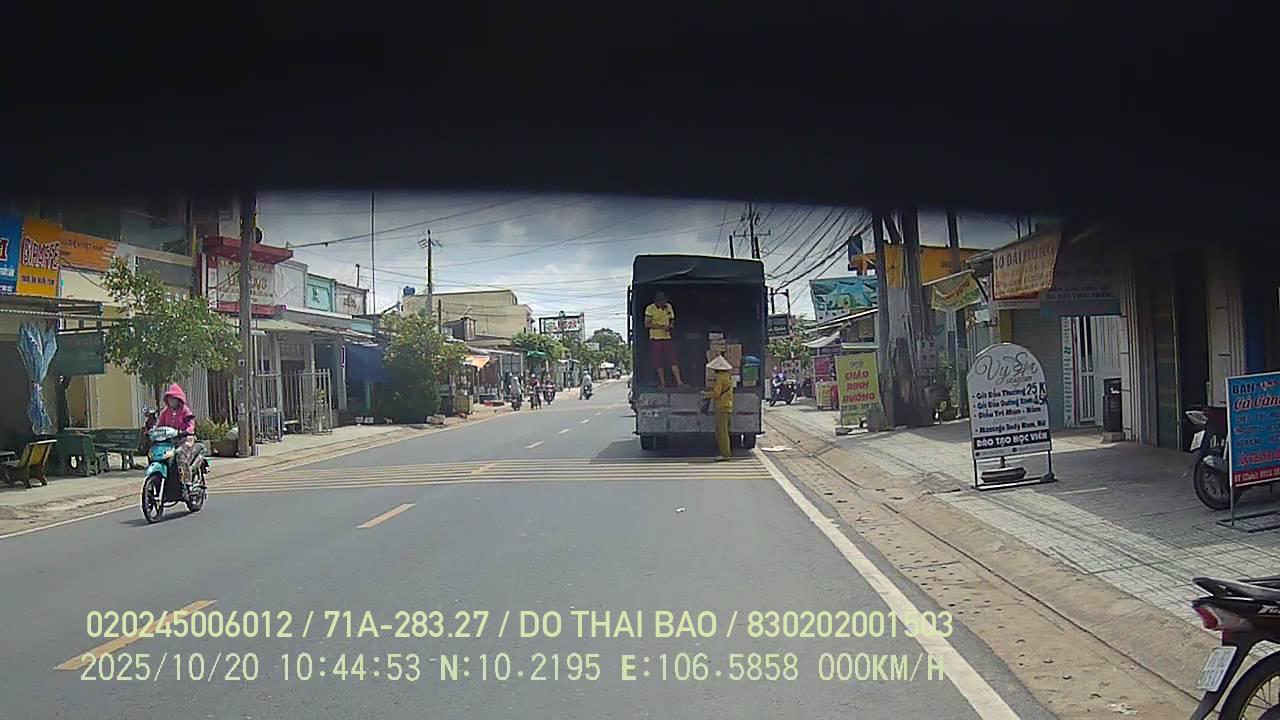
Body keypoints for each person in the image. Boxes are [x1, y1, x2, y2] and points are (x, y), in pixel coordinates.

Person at [156, 383, 199, 488]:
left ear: (179, 399)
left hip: (185, 439)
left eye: (173, 398)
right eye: (169, 399)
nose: (171, 401)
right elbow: (159, 425)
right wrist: (153, 432)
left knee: (180, 454)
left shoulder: (185, 410)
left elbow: (190, 423)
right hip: (169, 441)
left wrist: (186, 431)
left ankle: (186, 482)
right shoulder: (165, 412)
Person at [645, 291, 684, 388]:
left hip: (667, 337)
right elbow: (647, 324)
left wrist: (671, 325)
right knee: (659, 362)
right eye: (661, 303)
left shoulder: (668, 307)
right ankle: (663, 383)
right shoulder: (650, 308)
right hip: (655, 338)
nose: (663, 304)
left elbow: (672, 318)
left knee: (673, 360)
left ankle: (679, 382)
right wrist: (661, 327)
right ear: (657, 302)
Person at [705, 356, 735, 460]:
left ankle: (725, 454)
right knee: (723, 430)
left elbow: (716, 393)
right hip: (727, 405)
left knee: (721, 431)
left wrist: (706, 394)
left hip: (721, 405)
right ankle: (725, 453)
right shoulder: (728, 377)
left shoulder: (720, 378)